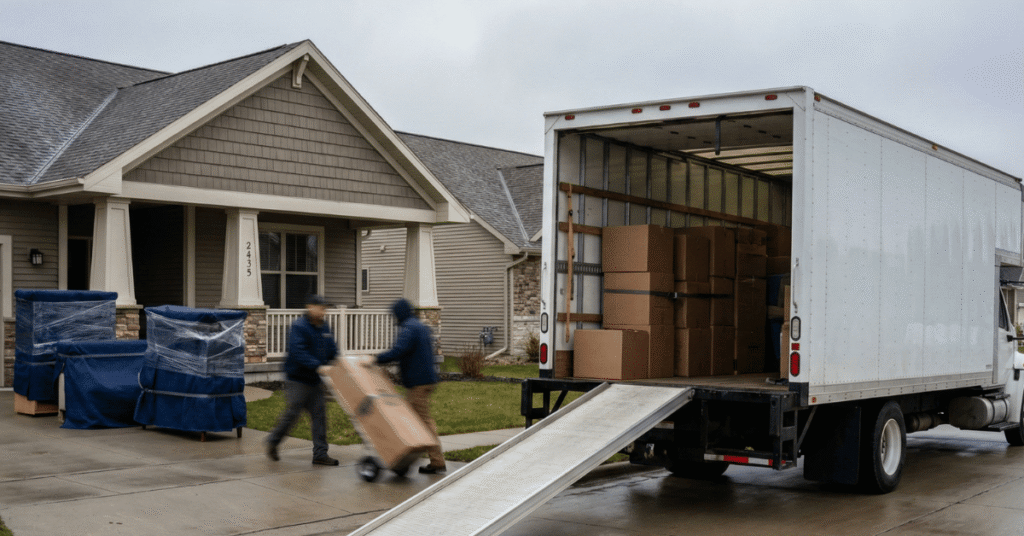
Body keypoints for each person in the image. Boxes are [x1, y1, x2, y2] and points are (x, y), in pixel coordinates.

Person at [266, 294, 339, 466]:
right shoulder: (299, 326)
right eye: (321, 308)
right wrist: (318, 366)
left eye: (325, 309)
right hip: (298, 378)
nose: (323, 312)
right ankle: (273, 441)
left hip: (314, 380)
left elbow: (332, 350)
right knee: (293, 414)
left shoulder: (325, 327)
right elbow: (298, 352)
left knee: (320, 415)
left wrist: (340, 363)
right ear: (310, 307)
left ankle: (320, 454)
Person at [376, 298, 446, 474]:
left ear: (399, 314)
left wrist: (375, 359)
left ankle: (434, 461)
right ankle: (405, 459)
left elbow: (398, 351)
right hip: (426, 380)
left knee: (422, 423)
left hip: (418, 383)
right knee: (416, 421)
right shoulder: (419, 326)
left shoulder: (408, 328)